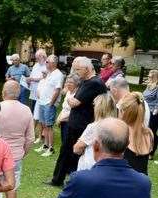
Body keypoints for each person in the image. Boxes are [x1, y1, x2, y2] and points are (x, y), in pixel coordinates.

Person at [48, 57, 107, 186]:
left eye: (77, 69)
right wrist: (71, 99)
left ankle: (72, 180)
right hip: (75, 123)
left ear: (87, 69)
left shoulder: (94, 83)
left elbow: (74, 102)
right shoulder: (85, 81)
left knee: (76, 154)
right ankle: (58, 179)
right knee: (66, 153)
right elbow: (73, 100)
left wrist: (70, 98)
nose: (75, 72)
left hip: (82, 125)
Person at [0, 81, 34, 198]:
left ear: (4, 92)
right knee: (12, 190)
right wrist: (23, 153)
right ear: (18, 93)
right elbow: (30, 138)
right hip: (15, 156)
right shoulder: (26, 110)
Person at [74, 93, 116, 170]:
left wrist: (81, 146)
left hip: (90, 165)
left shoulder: (94, 126)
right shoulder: (117, 126)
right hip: (108, 166)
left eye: (94, 105)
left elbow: (77, 149)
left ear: (99, 108)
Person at [33, 55, 64, 156]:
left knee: (49, 126)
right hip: (42, 102)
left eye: (47, 62)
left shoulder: (58, 74)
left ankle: (51, 148)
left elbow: (57, 90)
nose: (45, 63)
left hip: (48, 104)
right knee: (43, 124)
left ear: (54, 63)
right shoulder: (49, 73)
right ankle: (45, 145)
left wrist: (51, 103)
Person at [56, 73, 81, 147]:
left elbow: (74, 111)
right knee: (64, 141)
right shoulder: (68, 93)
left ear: (76, 83)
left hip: (70, 122)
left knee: (68, 143)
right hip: (63, 121)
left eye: (71, 82)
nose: (68, 84)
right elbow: (64, 107)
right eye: (67, 82)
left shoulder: (77, 95)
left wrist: (61, 119)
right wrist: (59, 117)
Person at [143, 69, 158, 161]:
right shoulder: (148, 86)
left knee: (151, 132)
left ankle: (151, 152)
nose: (148, 77)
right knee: (145, 131)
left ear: (155, 77)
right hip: (145, 110)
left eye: (150, 76)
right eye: (148, 76)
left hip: (153, 113)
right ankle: (145, 148)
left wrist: (155, 111)